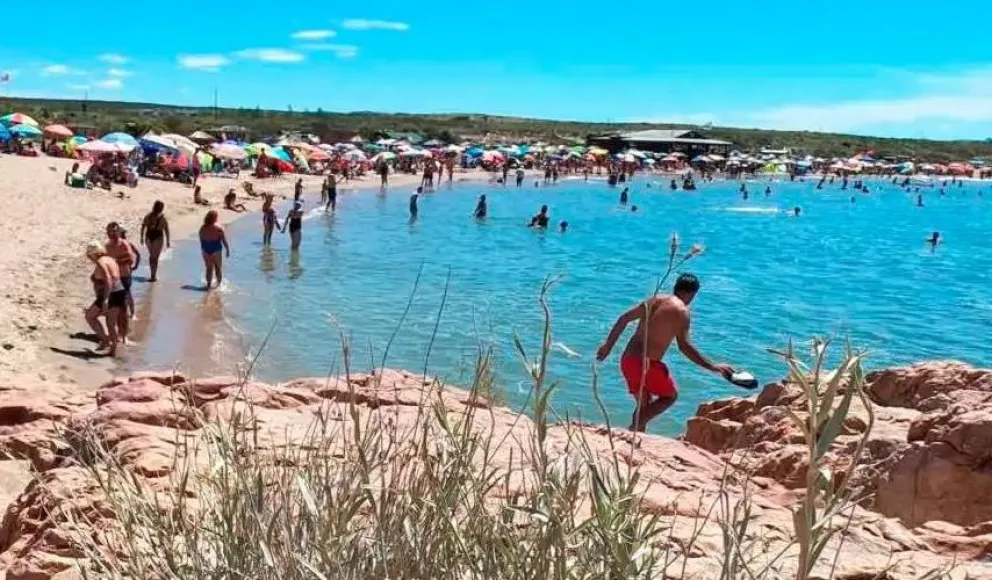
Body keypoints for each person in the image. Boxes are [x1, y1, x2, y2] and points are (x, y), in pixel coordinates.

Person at [596, 273, 735, 432]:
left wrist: (608, 345)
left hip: (628, 361)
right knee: (669, 396)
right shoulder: (682, 311)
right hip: (647, 364)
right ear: (691, 294)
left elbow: (624, 319)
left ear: (676, 287)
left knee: (644, 404)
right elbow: (685, 347)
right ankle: (632, 429)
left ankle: (636, 439)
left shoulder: (655, 300)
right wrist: (713, 366)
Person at [84, 241, 126, 356]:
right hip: (120, 291)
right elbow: (117, 277)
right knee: (111, 323)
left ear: (94, 253)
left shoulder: (100, 262)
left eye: (89, 255)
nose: (89, 258)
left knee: (90, 316)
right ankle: (112, 349)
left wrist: (106, 300)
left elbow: (108, 280)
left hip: (110, 293)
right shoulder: (111, 259)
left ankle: (106, 341)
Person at [105, 222, 136, 341]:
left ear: (118, 231)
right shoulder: (107, 246)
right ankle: (119, 333)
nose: (111, 234)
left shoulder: (124, 244)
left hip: (124, 278)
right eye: (109, 231)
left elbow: (130, 259)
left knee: (123, 308)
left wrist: (116, 262)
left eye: (114, 231)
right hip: (114, 279)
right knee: (115, 308)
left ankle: (125, 335)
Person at [198, 210, 229, 289]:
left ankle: (208, 285)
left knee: (209, 268)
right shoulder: (218, 229)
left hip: (205, 249)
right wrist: (227, 249)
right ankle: (218, 286)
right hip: (216, 249)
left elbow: (201, 240)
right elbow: (224, 240)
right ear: (215, 218)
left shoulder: (202, 228)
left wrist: (204, 249)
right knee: (218, 267)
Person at [140, 200, 170, 282]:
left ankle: (152, 274)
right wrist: (168, 240)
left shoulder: (148, 216)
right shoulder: (163, 218)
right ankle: (153, 275)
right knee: (155, 257)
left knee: (152, 256)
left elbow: (143, 226)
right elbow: (166, 229)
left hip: (148, 236)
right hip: (158, 237)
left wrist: (141, 237)